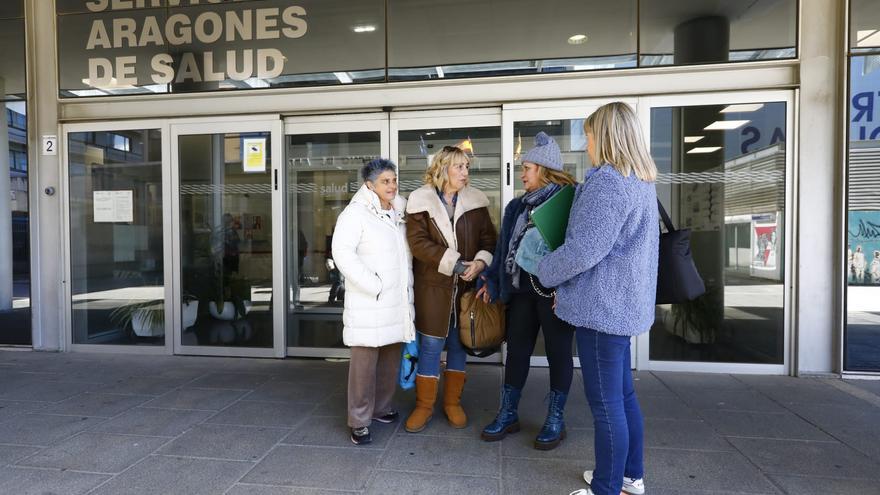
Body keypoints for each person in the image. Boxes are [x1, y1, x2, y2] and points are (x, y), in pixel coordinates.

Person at [535, 102, 658, 495]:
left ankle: (607, 488)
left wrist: (545, 271)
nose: (585, 143)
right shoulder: (641, 179)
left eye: (588, 135)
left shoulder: (608, 181)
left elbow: (584, 251)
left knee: (606, 405)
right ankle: (630, 477)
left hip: (602, 310)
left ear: (604, 137)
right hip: (621, 305)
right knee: (622, 396)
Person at [476, 132, 577, 450]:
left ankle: (556, 419)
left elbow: (576, 251)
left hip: (553, 294)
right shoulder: (516, 206)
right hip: (520, 290)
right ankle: (508, 414)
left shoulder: (570, 201)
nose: (522, 174)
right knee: (517, 351)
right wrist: (492, 280)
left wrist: (569, 287)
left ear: (545, 170)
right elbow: (503, 245)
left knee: (558, 353)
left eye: (528, 168)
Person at [404, 145, 497, 432]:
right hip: (433, 288)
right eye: (459, 167)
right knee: (431, 345)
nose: (465, 172)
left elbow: (489, 241)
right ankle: (424, 406)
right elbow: (418, 244)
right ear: (443, 168)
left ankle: (452, 403)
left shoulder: (476, 201)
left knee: (459, 345)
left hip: (466, 289)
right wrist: (454, 263)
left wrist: (480, 264)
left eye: (467, 167)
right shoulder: (420, 201)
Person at [331, 159, 416, 445]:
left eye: (393, 180)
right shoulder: (355, 214)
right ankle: (358, 420)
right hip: (371, 300)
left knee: (390, 360)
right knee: (363, 366)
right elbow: (342, 253)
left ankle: (381, 408)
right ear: (370, 185)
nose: (392, 186)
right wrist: (373, 284)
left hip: (396, 301)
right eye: (385, 181)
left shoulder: (400, 210)